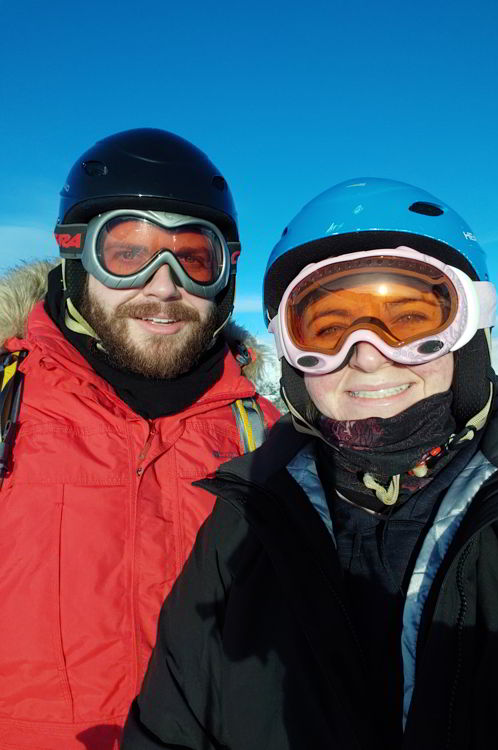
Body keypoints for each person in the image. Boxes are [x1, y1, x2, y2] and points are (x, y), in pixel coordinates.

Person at [122, 178, 498, 750]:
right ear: (292, 355)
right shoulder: (243, 528)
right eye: (325, 330)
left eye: (410, 320)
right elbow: (168, 729)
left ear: (469, 328)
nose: (367, 356)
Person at [0, 128, 279, 750]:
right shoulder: (7, 411)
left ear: (225, 276)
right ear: (76, 259)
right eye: (127, 252)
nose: (163, 285)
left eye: (194, 257)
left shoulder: (269, 441)